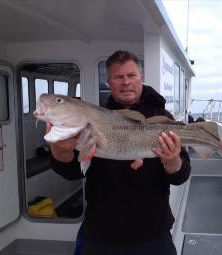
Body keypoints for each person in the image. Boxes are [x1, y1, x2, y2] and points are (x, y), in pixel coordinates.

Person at [48, 50, 191, 255]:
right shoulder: (96, 118)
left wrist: (172, 161)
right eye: (118, 77)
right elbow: (74, 173)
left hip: (153, 232)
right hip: (101, 233)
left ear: (141, 77)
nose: (126, 82)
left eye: (131, 75)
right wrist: (60, 152)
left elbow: (181, 176)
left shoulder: (163, 119)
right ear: (109, 82)